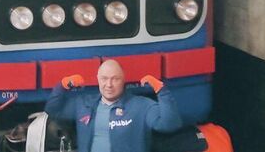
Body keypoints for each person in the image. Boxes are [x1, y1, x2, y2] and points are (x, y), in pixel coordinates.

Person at [45, 59, 183, 152]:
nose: (109, 85)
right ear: (98, 80)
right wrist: (62, 86)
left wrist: (162, 91)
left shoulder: (141, 105)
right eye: (104, 79)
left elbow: (169, 124)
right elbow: (53, 110)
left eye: (115, 79)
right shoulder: (83, 104)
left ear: (123, 81)